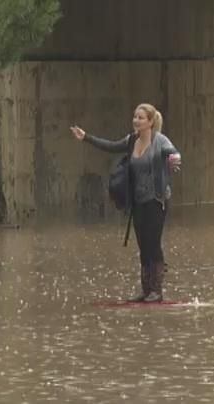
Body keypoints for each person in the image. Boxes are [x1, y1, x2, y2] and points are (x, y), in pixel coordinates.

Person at [70, 103, 181, 302]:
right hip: (138, 203)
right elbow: (111, 146)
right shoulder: (131, 141)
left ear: (150, 122)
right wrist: (86, 137)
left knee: (152, 244)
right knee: (142, 245)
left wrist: (174, 159)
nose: (136, 120)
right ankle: (145, 289)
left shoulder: (160, 140)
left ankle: (157, 290)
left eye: (140, 118)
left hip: (157, 200)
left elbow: (173, 152)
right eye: (135, 117)